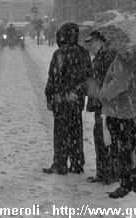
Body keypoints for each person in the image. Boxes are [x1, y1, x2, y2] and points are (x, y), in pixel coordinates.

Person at [43, 22, 92, 175]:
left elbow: (54, 77)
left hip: (61, 100)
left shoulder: (59, 54)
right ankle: (77, 163)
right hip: (76, 101)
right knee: (76, 132)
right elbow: (88, 77)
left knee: (61, 133)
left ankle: (60, 163)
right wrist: (78, 92)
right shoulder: (84, 53)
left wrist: (50, 95)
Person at [98, 55, 136, 198]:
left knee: (122, 149)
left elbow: (120, 83)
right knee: (134, 147)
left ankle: (126, 184)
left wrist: (103, 95)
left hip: (121, 110)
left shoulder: (124, 58)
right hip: (135, 109)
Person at [84, 30, 117, 185]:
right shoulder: (100, 56)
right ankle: (102, 172)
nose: (90, 46)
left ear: (100, 41)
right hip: (99, 103)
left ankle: (108, 173)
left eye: (92, 42)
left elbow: (109, 80)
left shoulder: (108, 56)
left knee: (105, 139)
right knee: (100, 138)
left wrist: (99, 92)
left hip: (105, 105)